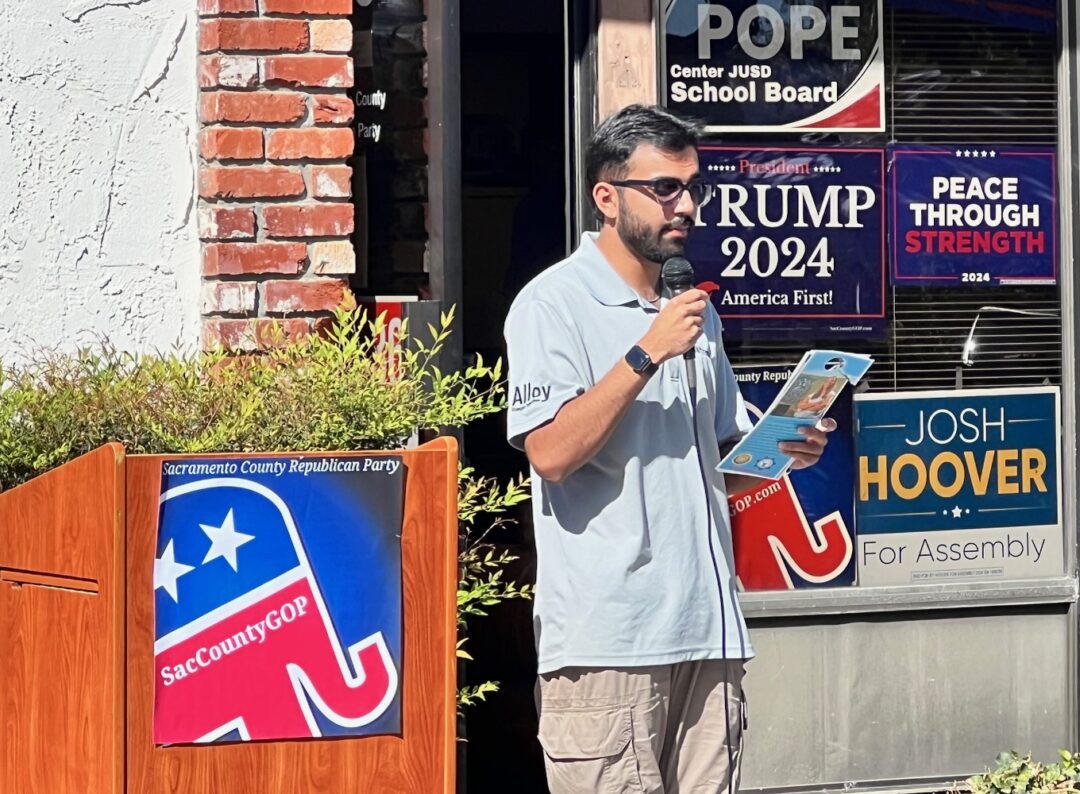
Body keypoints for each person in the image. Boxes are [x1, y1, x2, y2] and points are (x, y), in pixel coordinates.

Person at [503, 104, 835, 793]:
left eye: (692, 187)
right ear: (606, 197)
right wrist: (646, 352)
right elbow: (551, 453)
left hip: (709, 633)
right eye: (664, 188)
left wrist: (784, 450)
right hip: (610, 643)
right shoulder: (552, 304)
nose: (685, 205)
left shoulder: (693, 310)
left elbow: (716, 469)